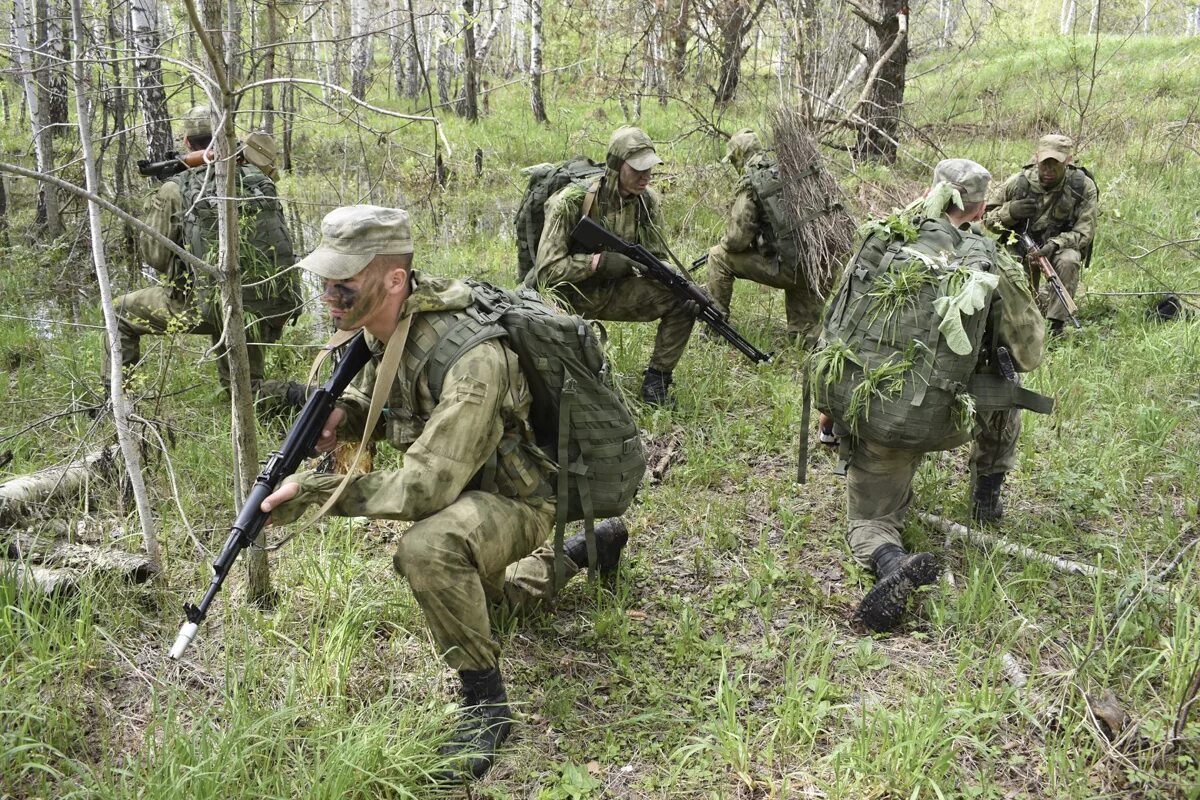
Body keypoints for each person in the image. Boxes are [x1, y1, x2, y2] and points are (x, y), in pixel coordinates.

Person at [259, 205, 630, 781]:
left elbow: (425, 486)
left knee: (428, 549)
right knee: (501, 606)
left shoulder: (470, 358)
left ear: (394, 280)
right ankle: (584, 551)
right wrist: (347, 413)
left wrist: (316, 493)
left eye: (344, 280)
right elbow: (398, 405)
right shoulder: (389, 327)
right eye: (326, 278)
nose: (329, 292)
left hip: (522, 499)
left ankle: (487, 706)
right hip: (471, 491)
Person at [815, 159, 1047, 633]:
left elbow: (836, 328)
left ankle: (889, 559)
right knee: (1008, 392)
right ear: (981, 206)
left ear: (934, 191)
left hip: (871, 412)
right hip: (940, 416)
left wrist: (830, 407)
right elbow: (1027, 353)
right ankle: (986, 497)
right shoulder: (990, 258)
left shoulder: (880, 236)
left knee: (872, 520)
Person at [104, 106, 299, 396]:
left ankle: (118, 402)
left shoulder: (175, 189)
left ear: (186, 142)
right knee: (244, 390)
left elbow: (154, 257)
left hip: (212, 305)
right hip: (264, 299)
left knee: (118, 312)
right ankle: (305, 397)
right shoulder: (256, 175)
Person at [524, 126, 696, 407]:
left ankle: (656, 385)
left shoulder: (647, 201)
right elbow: (547, 271)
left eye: (649, 169)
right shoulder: (571, 202)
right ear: (616, 167)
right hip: (563, 295)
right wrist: (597, 263)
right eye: (637, 169)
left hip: (614, 290)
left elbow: (653, 254)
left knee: (683, 300)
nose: (646, 177)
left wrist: (676, 280)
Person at [706, 128, 824, 345]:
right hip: (819, 264)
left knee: (717, 256)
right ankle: (806, 334)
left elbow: (736, 239)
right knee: (801, 340)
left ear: (738, 157)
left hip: (791, 268)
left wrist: (730, 243)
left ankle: (714, 327)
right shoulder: (792, 170)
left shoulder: (753, 180)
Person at [984, 133, 1098, 335]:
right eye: (1045, 164)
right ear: (1037, 158)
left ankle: (1056, 326)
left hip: (1057, 248)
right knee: (1014, 285)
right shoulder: (1018, 183)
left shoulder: (1082, 187)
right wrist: (1010, 212)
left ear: (1068, 161)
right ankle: (1015, 322)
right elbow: (986, 219)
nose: (1049, 170)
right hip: (1019, 246)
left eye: (1056, 164)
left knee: (1069, 260)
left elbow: (1084, 232)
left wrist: (1055, 244)